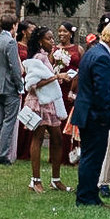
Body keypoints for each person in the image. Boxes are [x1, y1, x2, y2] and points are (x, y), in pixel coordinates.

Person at [72, 26, 110, 207]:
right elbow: (101, 90)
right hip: (94, 115)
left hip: (86, 112)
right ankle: (86, 197)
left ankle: (89, 194)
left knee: (89, 156)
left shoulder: (93, 52)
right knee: (92, 157)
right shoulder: (102, 57)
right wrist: (103, 115)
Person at [21, 35, 73, 192]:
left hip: (49, 102)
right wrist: (57, 76)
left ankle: (55, 179)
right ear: (40, 42)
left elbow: (47, 79)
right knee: (37, 137)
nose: (53, 41)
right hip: (39, 102)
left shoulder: (46, 58)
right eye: (49, 39)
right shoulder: (37, 58)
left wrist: (56, 77)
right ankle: (35, 180)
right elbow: (33, 84)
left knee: (57, 139)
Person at [0, 16, 24, 165]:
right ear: (14, 26)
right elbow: (15, 67)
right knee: (8, 121)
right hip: (9, 86)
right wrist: (20, 86)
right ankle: (2, 156)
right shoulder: (10, 42)